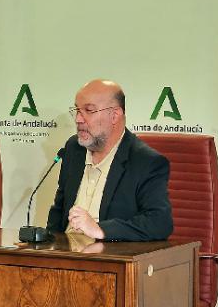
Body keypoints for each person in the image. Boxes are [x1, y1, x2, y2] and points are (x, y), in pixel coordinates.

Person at [46, 79, 173, 241]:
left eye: (88, 110)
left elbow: (159, 223)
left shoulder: (146, 162)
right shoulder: (74, 149)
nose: (78, 119)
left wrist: (100, 230)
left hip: (108, 259)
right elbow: (59, 209)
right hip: (66, 256)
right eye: (77, 110)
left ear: (114, 115)